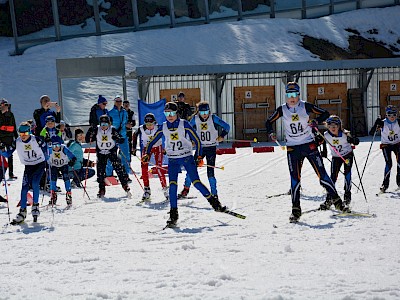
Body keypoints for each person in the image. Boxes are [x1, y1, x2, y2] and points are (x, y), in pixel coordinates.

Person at [265, 82, 349, 223]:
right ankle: (296, 210)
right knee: (295, 179)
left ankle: (338, 203)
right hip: (292, 148)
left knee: (322, 176)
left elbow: (325, 114)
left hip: (308, 145)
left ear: (298, 95)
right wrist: (271, 132)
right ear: (286, 96)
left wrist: (315, 120)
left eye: (294, 94)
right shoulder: (282, 109)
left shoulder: (305, 106)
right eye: (289, 95)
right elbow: (268, 122)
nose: (292, 98)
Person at [142, 102, 226, 228]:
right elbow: (152, 141)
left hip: (186, 157)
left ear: (176, 114)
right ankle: (173, 214)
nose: (169, 116)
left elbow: (197, 140)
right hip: (173, 160)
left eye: (172, 113)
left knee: (196, 182)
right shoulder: (163, 126)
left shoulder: (184, 124)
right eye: (167, 113)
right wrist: (147, 154)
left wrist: (198, 155)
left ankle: (215, 203)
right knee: (173, 186)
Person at [179, 101, 230, 199]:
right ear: (198, 112)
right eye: (202, 113)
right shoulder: (195, 119)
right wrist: (191, 140)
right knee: (192, 168)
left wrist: (222, 136)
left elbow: (227, 126)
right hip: (200, 148)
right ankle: (185, 189)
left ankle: (214, 194)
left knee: (210, 171)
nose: (205, 115)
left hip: (211, 148)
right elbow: (186, 130)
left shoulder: (213, 118)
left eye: (206, 112)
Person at [0, 122, 47, 224]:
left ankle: (35, 206)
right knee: (24, 187)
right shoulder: (17, 142)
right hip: (28, 166)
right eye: (21, 134)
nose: (23, 136)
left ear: (29, 132)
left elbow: (46, 149)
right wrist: (2, 150)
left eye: (25, 134)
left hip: (39, 164)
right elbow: (7, 154)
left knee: (35, 183)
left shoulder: (36, 140)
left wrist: (47, 155)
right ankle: (22, 211)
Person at [85, 114, 131, 198]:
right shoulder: (97, 129)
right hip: (101, 153)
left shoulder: (112, 129)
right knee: (100, 171)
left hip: (111, 151)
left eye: (106, 124)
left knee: (118, 168)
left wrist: (117, 138)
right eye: (102, 124)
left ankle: (125, 186)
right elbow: (87, 139)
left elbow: (121, 139)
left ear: (109, 124)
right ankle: (101, 189)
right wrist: (89, 132)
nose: (104, 126)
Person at [323, 115, 359, 207]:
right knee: (332, 177)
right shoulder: (326, 135)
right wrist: (324, 151)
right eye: (331, 126)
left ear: (339, 126)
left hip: (347, 155)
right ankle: (329, 199)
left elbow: (356, 141)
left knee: (347, 175)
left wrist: (353, 140)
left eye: (336, 126)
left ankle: (347, 197)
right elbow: (322, 142)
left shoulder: (345, 134)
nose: (333, 128)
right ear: (328, 126)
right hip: (336, 157)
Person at [132, 113, 168, 201]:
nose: (149, 126)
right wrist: (133, 147)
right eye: (147, 124)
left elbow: (167, 135)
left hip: (158, 147)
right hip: (146, 148)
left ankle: (165, 189)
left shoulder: (158, 127)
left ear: (154, 123)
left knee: (159, 168)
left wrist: (166, 147)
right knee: (144, 168)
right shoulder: (141, 128)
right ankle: (147, 189)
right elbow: (134, 135)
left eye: (151, 124)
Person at [369, 105, 400, 193]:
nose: (392, 117)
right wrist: (376, 123)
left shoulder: (398, 122)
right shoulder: (383, 123)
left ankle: (399, 182)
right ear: (386, 115)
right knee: (389, 164)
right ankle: (385, 185)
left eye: (394, 115)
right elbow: (371, 133)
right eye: (390, 115)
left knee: (399, 162)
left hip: (397, 144)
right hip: (386, 145)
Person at [47, 136, 76, 206]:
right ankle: (53, 194)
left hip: (64, 165)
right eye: (54, 145)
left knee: (66, 177)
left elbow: (72, 155)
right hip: (54, 165)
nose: (56, 147)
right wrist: (45, 163)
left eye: (57, 145)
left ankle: (68, 193)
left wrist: (72, 161)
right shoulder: (50, 149)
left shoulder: (63, 148)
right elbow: (45, 156)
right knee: (53, 179)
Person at [108, 95, 130, 176]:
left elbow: (125, 123)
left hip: (123, 136)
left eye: (120, 101)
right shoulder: (110, 113)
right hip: (113, 136)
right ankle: (109, 174)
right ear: (114, 102)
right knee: (111, 155)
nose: (119, 103)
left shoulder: (124, 112)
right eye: (117, 101)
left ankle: (125, 174)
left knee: (125, 156)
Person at [0, 98, 18, 179]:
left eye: (6, 105)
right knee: (1, 155)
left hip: (10, 137)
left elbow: (14, 126)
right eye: (3, 104)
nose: (4, 106)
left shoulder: (11, 114)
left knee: (10, 155)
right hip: (1, 137)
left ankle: (11, 173)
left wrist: (17, 137)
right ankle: (2, 172)